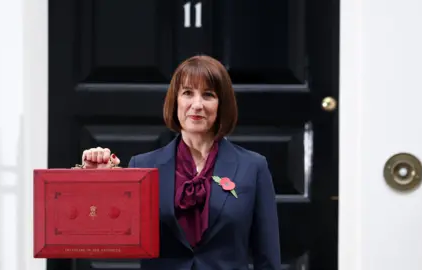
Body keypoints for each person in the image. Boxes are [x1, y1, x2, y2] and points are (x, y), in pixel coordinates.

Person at [78, 55, 281, 270]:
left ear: (222, 104)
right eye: (187, 93)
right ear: (175, 101)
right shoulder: (144, 166)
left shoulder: (253, 167)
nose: (197, 105)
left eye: (208, 95)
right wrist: (98, 182)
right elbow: (105, 235)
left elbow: (267, 258)